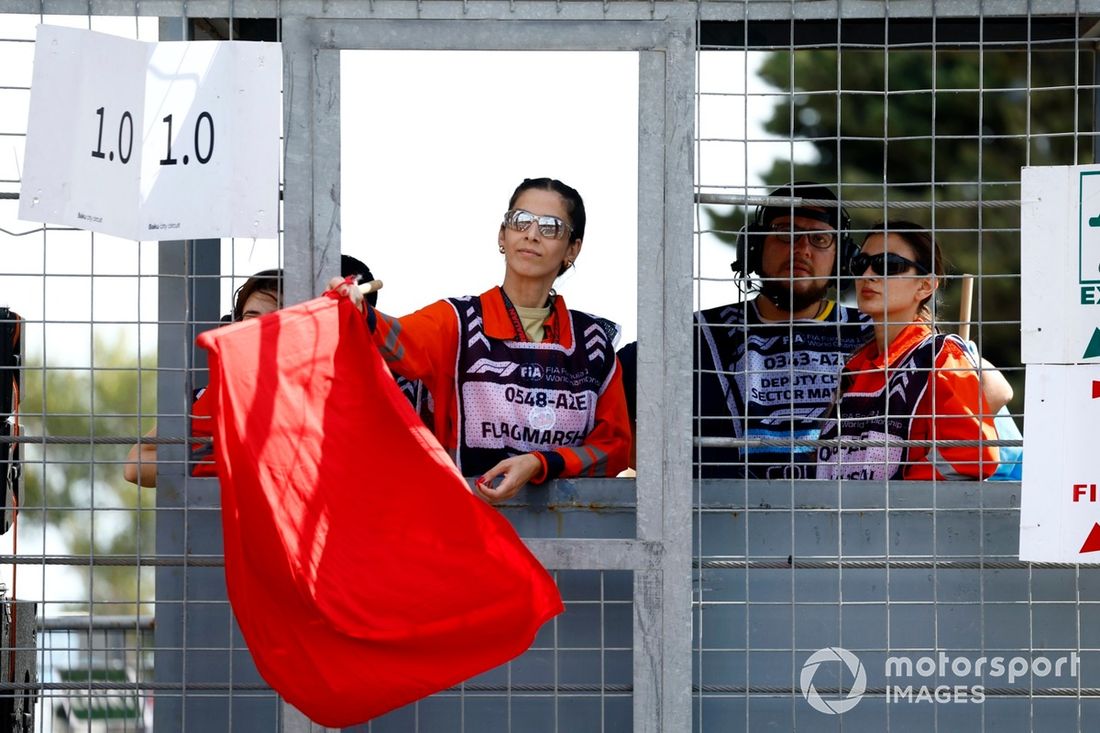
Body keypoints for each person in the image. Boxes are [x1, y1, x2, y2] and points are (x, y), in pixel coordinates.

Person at [618, 181, 1012, 478]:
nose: (801, 249)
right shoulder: (698, 334)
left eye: (819, 238)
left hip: (845, 533)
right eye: (785, 233)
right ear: (754, 248)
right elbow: (605, 395)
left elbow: (991, 391)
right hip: (722, 533)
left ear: (841, 256)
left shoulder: (876, 333)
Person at [332, 177, 631, 503]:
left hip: (567, 531)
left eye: (550, 227)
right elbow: (400, 342)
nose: (531, 234)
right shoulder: (457, 321)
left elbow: (613, 449)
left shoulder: (592, 343)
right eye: (520, 222)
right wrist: (360, 313)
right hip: (465, 527)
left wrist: (539, 463)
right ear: (502, 235)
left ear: (572, 249)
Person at [816, 221, 1000, 480]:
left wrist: (896, 496)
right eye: (861, 263)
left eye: (888, 265)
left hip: (901, 519)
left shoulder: (941, 356)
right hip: (838, 518)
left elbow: (969, 457)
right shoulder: (854, 367)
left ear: (925, 285)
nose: (868, 273)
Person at [123, 269, 284, 487]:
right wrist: (225, 459)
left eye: (273, 321)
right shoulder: (203, 397)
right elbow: (136, 465)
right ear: (234, 326)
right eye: (250, 318)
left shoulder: (307, 395)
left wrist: (198, 460)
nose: (258, 330)